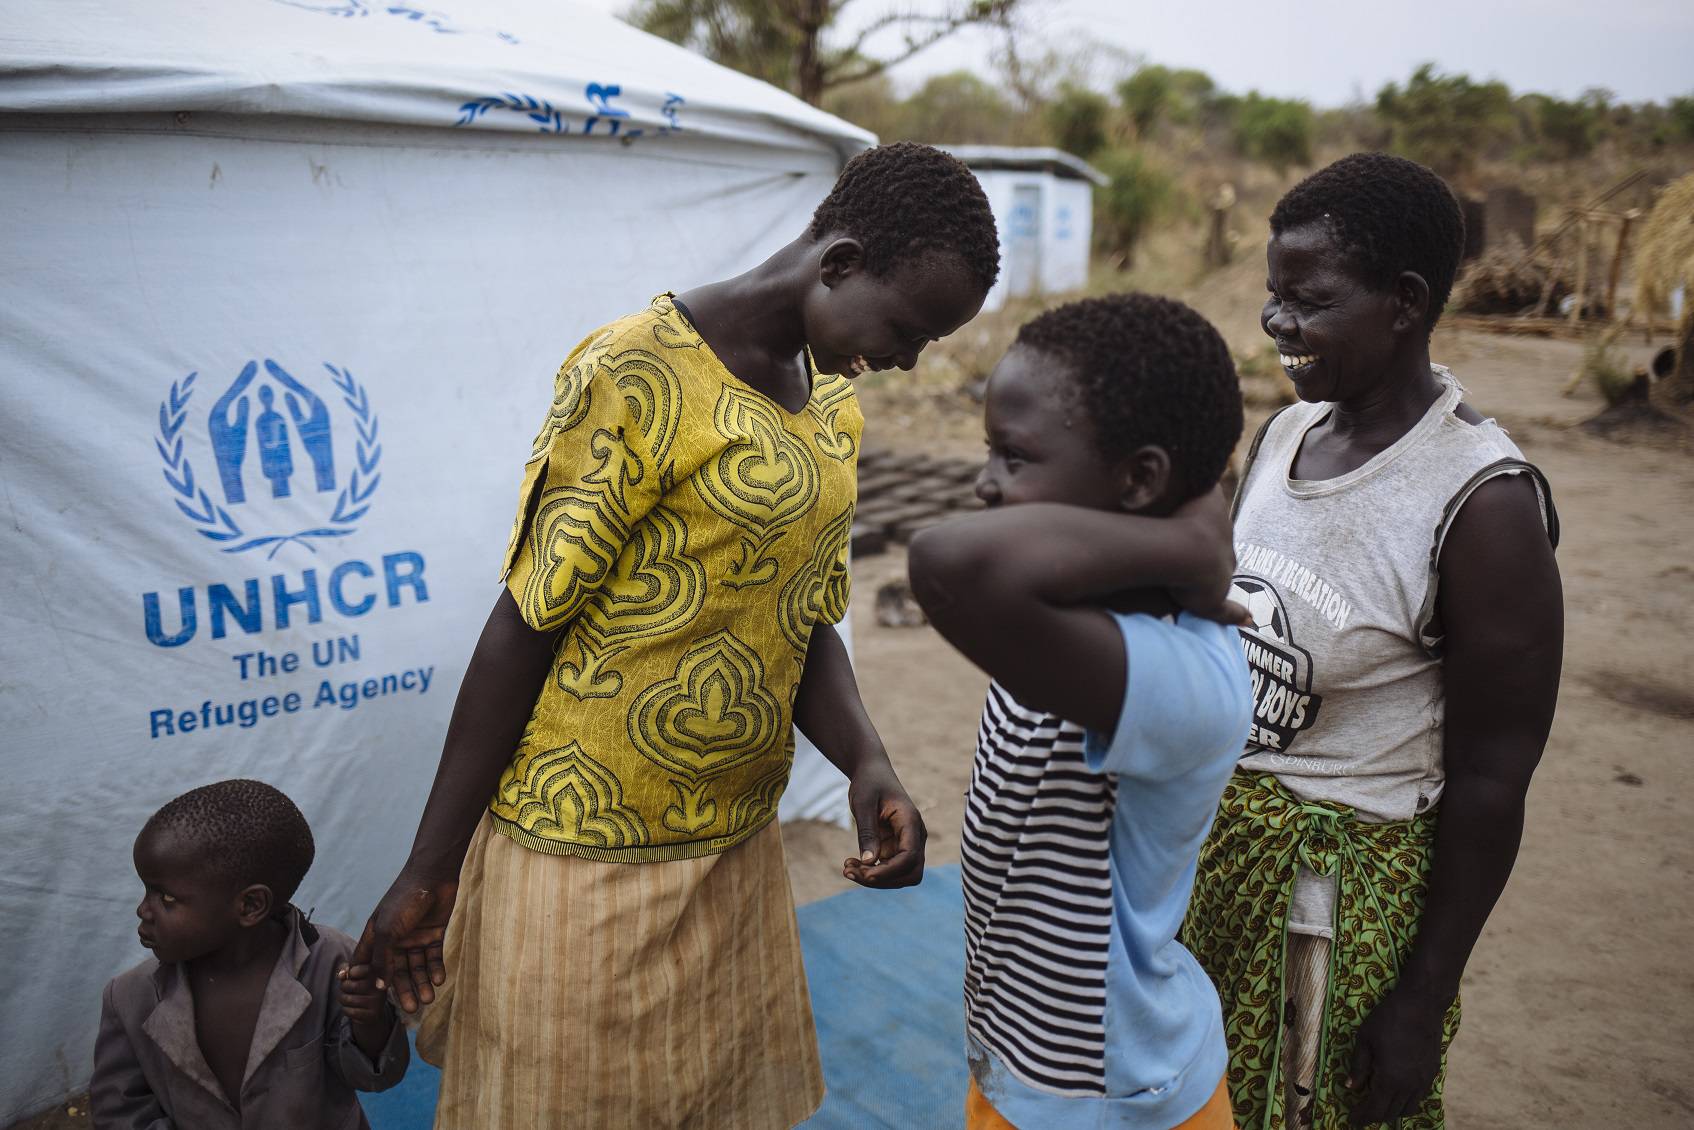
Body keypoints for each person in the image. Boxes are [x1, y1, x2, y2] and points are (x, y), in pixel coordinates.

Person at [356, 142, 1000, 1128]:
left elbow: (802, 611)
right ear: (838, 261)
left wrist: (869, 759)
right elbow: (526, 620)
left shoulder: (830, 400)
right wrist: (429, 866)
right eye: (907, 330)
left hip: (730, 849)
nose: (908, 360)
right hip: (585, 854)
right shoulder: (635, 372)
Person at [1180, 152, 1563, 1129]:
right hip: (1219, 868)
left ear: (1402, 301)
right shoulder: (1280, 436)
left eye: (1305, 299)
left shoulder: (1481, 502)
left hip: (1333, 906)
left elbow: (1490, 776)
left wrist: (1420, 999)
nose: (1275, 322)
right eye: (1271, 296)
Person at [906, 293, 1253, 1129]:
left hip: (1112, 1098)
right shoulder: (1072, 615)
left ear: (1139, 479)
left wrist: (1191, 547)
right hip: (1025, 1064)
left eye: (1015, 458)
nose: (984, 484)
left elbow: (943, 562)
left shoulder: (1185, 670)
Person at [91, 779, 408, 1129]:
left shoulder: (335, 965)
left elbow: (378, 1077)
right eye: (146, 890)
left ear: (251, 905)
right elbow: (120, 1114)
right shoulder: (129, 998)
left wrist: (371, 1021)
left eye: (166, 899)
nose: (143, 910)